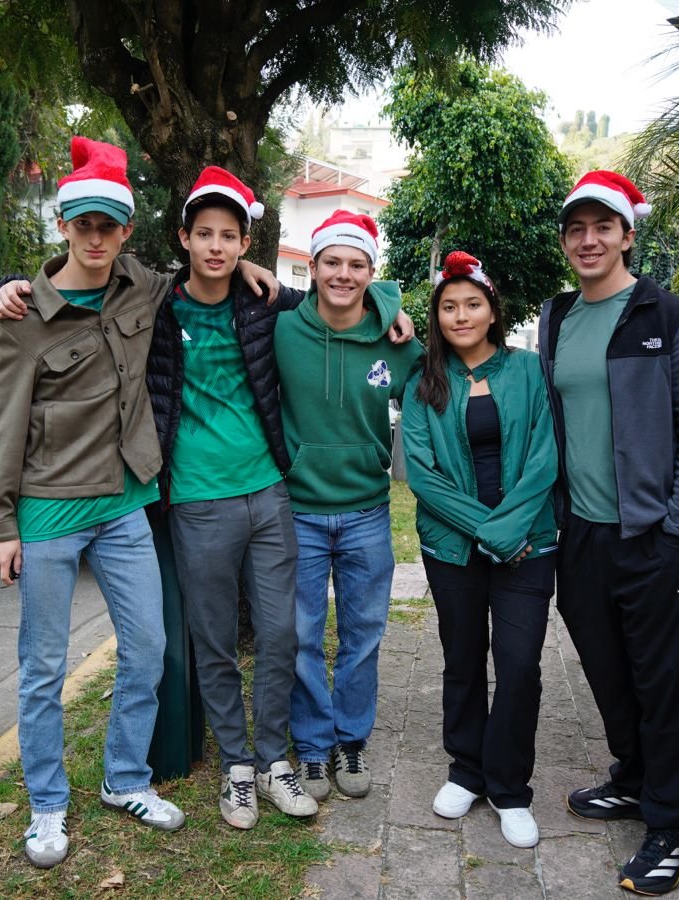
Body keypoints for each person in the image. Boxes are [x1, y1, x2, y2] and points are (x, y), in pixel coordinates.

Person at [0, 138, 273, 869]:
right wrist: (0, 525)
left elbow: (208, 272)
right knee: (43, 666)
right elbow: (4, 422)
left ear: (126, 232)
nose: (95, 237)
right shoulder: (22, 315)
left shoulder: (141, 288)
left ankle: (124, 779)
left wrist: (248, 265)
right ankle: (47, 803)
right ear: (63, 225)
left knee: (148, 648)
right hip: (49, 510)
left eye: (108, 225)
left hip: (125, 502)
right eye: (83, 223)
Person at [537, 171, 679, 895]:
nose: (589, 240)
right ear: (566, 240)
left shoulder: (673, 319)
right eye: (576, 229)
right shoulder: (556, 317)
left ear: (627, 235)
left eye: (603, 227)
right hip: (581, 533)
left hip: (653, 537)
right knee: (607, 669)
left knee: (664, 681)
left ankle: (671, 827)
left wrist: (678, 529)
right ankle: (635, 775)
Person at [144, 167, 315, 829]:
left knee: (280, 632)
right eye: (204, 233)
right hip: (196, 500)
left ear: (246, 242)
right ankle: (236, 768)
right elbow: (81, 285)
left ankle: (274, 761)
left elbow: (340, 299)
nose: (216, 246)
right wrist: (11, 287)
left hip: (268, 494)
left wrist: (395, 311)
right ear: (184, 237)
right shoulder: (156, 306)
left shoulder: (265, 300)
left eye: (229, 235)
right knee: (214, 640)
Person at [400, 251, 559, 849]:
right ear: (436, 315)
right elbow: (423, 474)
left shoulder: (530, 370)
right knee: (463, 660)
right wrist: (492, 533)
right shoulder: (424, 382)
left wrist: (513, 531)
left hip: (530, 546)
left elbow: (545, 456)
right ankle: (467, 769)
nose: (460, 315)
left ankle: (510, 788)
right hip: (454, 551)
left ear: (493, 311)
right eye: (448, 306)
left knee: (519, 666)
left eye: (472, 304)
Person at [275, 211, 424, 802]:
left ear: (370, 271)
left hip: (366, 510)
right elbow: (236, 278)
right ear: (312, 268)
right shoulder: (282, 329)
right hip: (300, 511)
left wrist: (394, 309)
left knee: (363, 632)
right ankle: (312, 748)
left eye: (356, 264)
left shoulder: (397, 341)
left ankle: (352, 740)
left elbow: (431, 393)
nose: (343, 274)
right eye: (331, 262)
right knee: (302, 634)